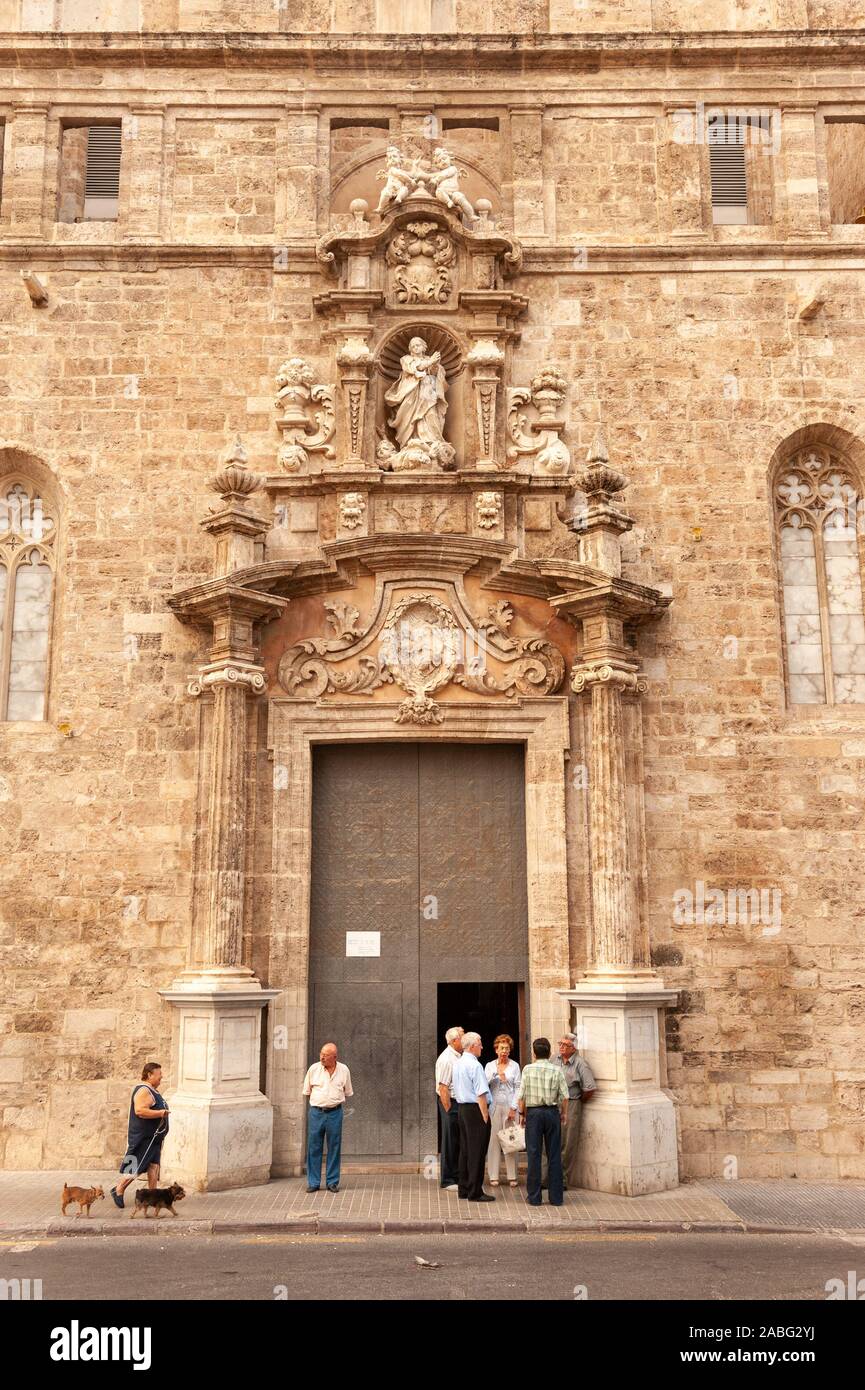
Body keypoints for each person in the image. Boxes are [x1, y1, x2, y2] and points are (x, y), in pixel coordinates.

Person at [517, 1037, 569, 1207]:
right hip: (551, 1112)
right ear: (549, 1052)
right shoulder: (556, 1069)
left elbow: (522, 1096)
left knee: (534, 1154)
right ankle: (556, 1198)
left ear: (534, 1053)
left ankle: (534, 1197)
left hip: (533, 1113)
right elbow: (565, 1096)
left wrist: (522, 1114)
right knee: (554, 1154)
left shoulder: (527, 1070)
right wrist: (564, 1113)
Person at [110, 1061, 169, 1209]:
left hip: (154, 1138)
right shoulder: (144, 1091)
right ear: (149, 1075)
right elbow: (140, 1111)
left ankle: (152, 1197)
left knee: (154, 1167)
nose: (161, 1077)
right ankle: (118, 1189)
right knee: (136, 1166)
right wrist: (161, 1113)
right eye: (159, 1074)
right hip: (144, 1138)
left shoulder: (152, 1091)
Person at [302, 1042, 353, 1193]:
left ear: (334, 1057)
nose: (322, 1057)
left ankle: (332, 1182)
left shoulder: (344, 1070)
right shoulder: (313, 1069)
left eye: (326, 1055)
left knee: (334, 1147)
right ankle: (314, 1182)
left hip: (335, 1113)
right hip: (316, 1112)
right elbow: (307, 1091)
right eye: (321, 1054)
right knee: (314, 1147)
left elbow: (347, 1091)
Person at [452, 1031, 494, 1202]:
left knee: (465, 1151)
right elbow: (481, 1093)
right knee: (477, 1151)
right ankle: (475, 1192)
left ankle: (464, 1188)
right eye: (480, 1044)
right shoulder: (475, 1065)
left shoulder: (458, 1063)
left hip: (462, 1109)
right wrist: (485, 1115)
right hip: (476, 1110)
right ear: (472, 1046)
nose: (482, 1047)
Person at [553, 1031, 596, 1191]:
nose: (562, 1047)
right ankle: (548, 1176)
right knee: (553, 1141)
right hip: (553, 1104)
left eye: (566, 1045)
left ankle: (562, 1179)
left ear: (574, 1048)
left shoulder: (580, 1064)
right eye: (560, 1044)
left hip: (571, 1103)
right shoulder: (553, 1060)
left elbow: (590, 1088)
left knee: (568, 1143)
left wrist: (577, 1101)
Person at [484, 1034, 521, 1187]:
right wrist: (495, 1075)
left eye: (507, 1048)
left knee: (511, 1140)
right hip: (494, 1107)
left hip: (510, 1107)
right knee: (494, 1141)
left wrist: (514, 1108)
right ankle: (493, 1175)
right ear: (496, 1050)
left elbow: (519, 1087)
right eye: (501, 1048)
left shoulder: (515, 1066)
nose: (504, 1051)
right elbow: (484, 1084)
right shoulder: (489, 1066)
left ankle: (512, 1176)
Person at [435, 1025, 464, 1191]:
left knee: (458, 1140)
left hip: (458, 1103)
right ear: (454, 1041)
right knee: (450, 1140)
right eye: (462, 1037)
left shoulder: (459, 1056)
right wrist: (448, 1110)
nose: (465, 1039)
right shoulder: (446, 1059)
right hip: (450, 1103)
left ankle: (457, 1175)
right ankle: (447, 1179)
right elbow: (443, 1087)